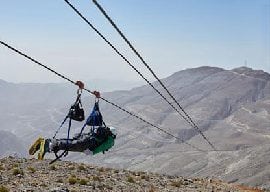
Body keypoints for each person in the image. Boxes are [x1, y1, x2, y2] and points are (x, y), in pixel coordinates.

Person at [29, 126, 116, 160]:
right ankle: (45, 145)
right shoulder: (111, 141)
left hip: (86, 137)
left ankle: (45, 143)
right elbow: (102, 147)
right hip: (86, 144)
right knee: (70, 146)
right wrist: (92, 152)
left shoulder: (104, 132)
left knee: (69, 143)